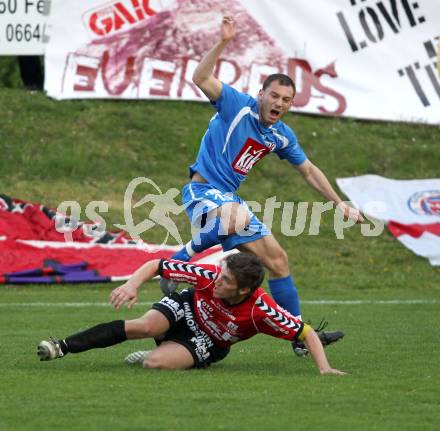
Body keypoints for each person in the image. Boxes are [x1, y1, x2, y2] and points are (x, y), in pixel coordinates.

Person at [164, 16, 364, 323]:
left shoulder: (281, 134)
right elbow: (200, 77)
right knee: (237, 215)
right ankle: (181, 259)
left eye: (286, 100)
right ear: (261, 94)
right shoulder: (236, 105)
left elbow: (309, 170)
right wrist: (223, 42)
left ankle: (298, 333)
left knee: (278, 261)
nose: (279, 103)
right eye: (274, 96)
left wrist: (339, 204)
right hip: (202, 192)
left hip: (227, 201)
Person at [37, 253, 345, 375]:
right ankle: (61, 346)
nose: (217, 280)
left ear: (243, 291)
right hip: (186, 308)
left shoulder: (262, 310)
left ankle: (161, 347)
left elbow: (304, 332)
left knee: (154, 364)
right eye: (220, 274)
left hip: (209, 342)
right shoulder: (209, 275)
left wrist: (325, 369)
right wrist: (132, 285)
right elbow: (157, 265)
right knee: (145, 325)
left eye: (225, 281)